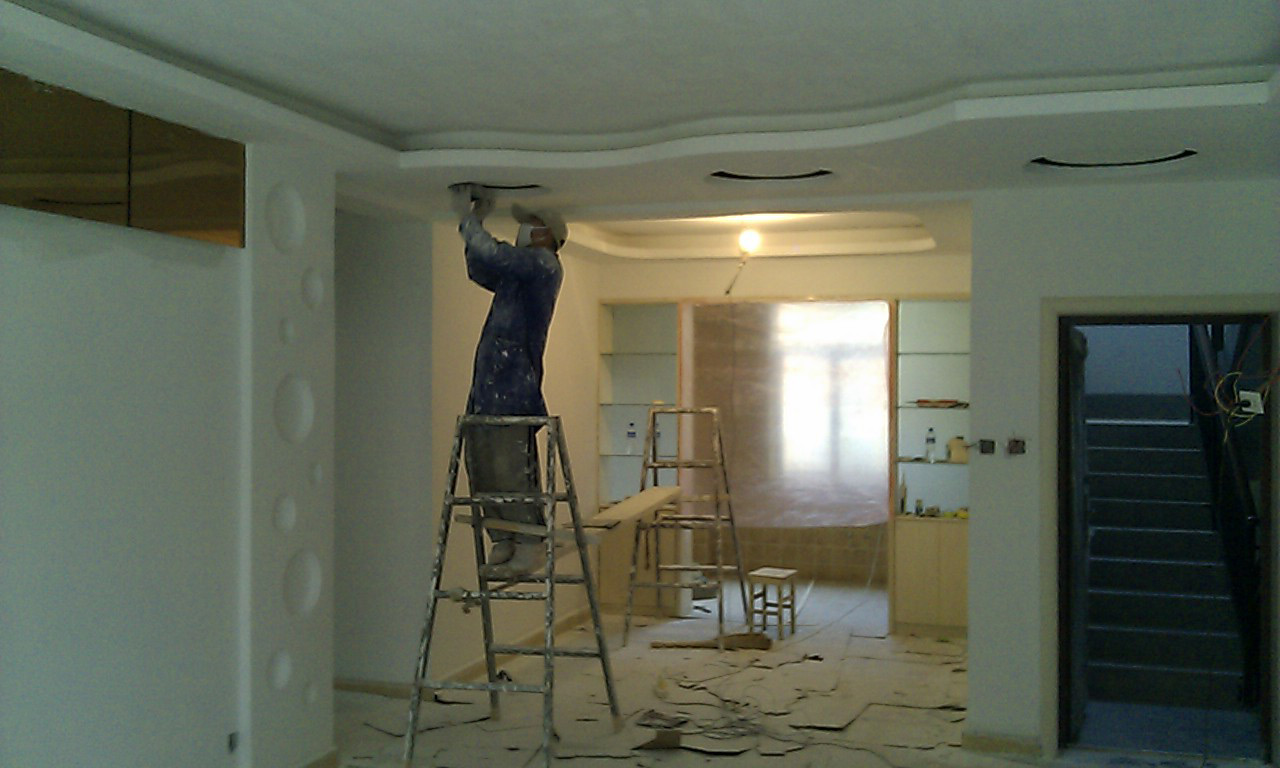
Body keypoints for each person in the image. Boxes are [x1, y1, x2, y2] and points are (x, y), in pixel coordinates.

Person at [451, 186, 567, 578]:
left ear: (548, 234)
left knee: (509, 466)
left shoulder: (544, 266)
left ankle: (529, 542)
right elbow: (481, 267)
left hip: (514, 383)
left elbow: (497, 255)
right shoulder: (517, 276)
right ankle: (503, 538)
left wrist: (467, 221)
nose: (524, 231)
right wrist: (475, 224)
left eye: (531, 225)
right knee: (482, 464)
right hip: (488, 382)